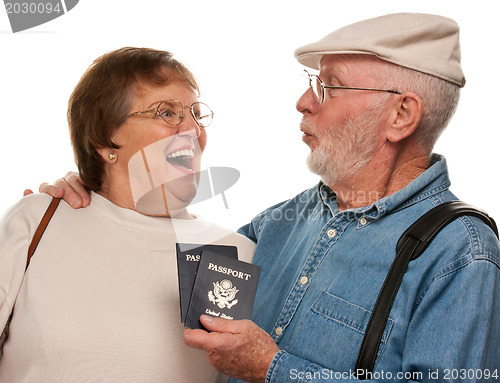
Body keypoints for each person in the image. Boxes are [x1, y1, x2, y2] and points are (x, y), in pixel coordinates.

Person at [36, 13, 500, 383]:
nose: (303, 100)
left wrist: (272, 369)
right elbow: (153, 262)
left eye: (329, 85)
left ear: (401, 115)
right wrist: (95, 195)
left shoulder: (462, 254)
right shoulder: (278, 224)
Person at [0, 47, 254, 382]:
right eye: (167, 112)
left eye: (195, 113)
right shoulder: (37, 220)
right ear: (105, 142)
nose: (193, 129)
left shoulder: (238, 253)